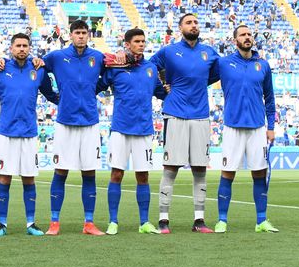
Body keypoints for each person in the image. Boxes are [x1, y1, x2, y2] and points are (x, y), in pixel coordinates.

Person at [150, 13, 220, 234]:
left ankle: (199, 220)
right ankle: (163, 220)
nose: (194, 25)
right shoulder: (169, 51)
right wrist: (162, 88)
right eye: (189, 22)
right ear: (180, 27)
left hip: (200, 115)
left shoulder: (209, 53)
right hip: (175, 113)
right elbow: (149, 69)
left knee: (200, 168)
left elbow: (213, 76)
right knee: (171, 167)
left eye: (196, 22)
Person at [0, 33, 58, 236]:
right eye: (18, 45)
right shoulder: (0, 69)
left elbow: (51, 94)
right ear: (11, 48)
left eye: (25, 45)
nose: (22, 49)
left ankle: (30, 224)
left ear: (30, 48)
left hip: (29, 133)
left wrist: (69, 101)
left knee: (29, 179)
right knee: (4, 178)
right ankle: (2, 224)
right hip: (6, 132)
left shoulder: (38, 69)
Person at [96, 29, 167, 235]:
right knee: (116, 174)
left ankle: (144, 222)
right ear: (127, 44)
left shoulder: (151, 68)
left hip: (144, 129)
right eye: (137, 41)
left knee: (142, 176)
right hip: (120, 129)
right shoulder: (115, 68)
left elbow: (162, 93)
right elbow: (95, 86)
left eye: (143, 41)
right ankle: (113, 221)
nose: (141, 44)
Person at [43, 20, 106, 236]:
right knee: (61, 171)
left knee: (89, 173)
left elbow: (110, 75)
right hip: (65, 122)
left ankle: (89, 223)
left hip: (89, 121)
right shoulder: (56, 57)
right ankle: (54, 222)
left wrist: (93, 90)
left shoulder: (97, 57)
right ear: (70, 35)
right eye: (77, 32)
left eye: (84, 33)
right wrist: (53, 97)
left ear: (89, 35)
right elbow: (38, 69)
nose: (81, 36)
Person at [214, 25, 278, 233]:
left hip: (258, 128)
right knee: (228, 173)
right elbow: (199, 78)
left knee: (259, 173)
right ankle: (222, 220)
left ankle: (261, 220)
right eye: (243, 35)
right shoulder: (223, 63)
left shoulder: (263, 65)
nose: (247, 37)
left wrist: (271, 127)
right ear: (235, 40)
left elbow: (270, 98)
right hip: (232, 127)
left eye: (249, 34)